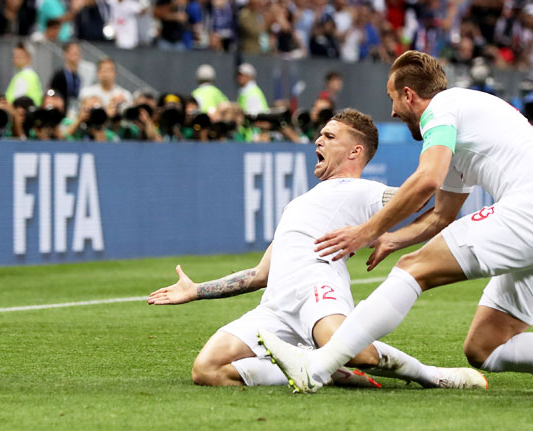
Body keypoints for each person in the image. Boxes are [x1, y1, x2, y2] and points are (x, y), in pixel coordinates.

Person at [258, 50, 533, 399]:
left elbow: (426, 181)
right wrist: (393, 238)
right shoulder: (458, 127)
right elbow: (441, 214)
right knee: (485, 348)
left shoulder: (442, 109)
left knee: (412, 271)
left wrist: (364, 232)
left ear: (409, 94)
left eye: (392, 100)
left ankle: (317, 368)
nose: (392, 112)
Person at [148, 108, 487, 390]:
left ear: (355, 152)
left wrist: (455, 165)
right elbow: (259, 274)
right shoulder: (297, 204)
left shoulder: (361, 190)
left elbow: (421, 194)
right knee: (206, 370)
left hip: (316, 290)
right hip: (276, 306)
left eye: (329, 136)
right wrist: (197, 291)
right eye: (320, 135)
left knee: (362, 355)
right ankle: (322, 366)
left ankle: (432, 375)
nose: (318, 140)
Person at [6, 41, 43, 106]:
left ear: (28, 57)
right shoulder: (32, 75)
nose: (14, 59)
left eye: (18, 56)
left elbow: (17, 103)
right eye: (14, 56)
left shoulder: (24, 76)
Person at [49, 42, 82, 109]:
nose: (77, 56)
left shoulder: (78, 76)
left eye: (78, 53)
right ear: (66, 54)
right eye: (74, 53)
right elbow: (51, 94)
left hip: (74, 109)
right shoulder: (59, 75)